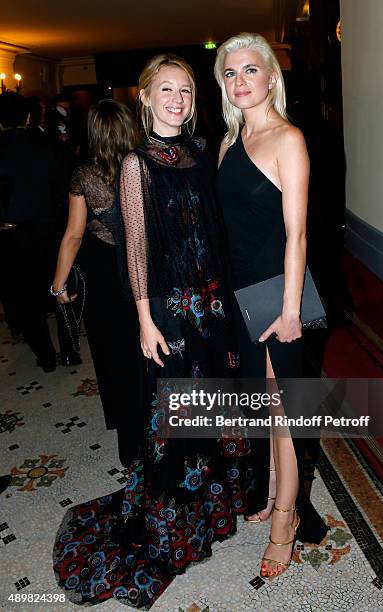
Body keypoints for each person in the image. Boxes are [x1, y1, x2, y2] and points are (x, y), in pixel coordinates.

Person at [53, 56, 247, 609]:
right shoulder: (135, 165)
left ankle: (215, 505)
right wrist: (143, 317)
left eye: (186, 90)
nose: (178, 99)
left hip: (210, 304)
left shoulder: (201, 151)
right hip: (169, 307)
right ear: (146, 97)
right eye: (167, 89)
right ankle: (176, 516)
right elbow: (135, 248)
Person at [215, 33, 328, 579]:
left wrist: (289, 309)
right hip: (240, 290)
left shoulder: (289, 139)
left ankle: (287, 516)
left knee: (284, 409)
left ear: (270, 78)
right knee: (265, 403)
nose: (240, 81)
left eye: (249, 70)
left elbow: (297, 234)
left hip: (278, 289)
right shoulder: (226, 144)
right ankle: (277, 494)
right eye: (230, 73)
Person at [51, 99, 142, 465]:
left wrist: (58, 286)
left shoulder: (84, 175)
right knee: (148, 353)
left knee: (111, 356)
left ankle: (130, 443)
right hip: (143, 268)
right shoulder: (145, 165)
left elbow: (73, 236)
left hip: (104, 277)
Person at [0, 92, 72, 371]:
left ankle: (46, 356)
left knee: (25, 299)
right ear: (29, 117)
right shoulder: (49, 145)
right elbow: (64, 190)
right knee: (58, 288)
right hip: (49, 231)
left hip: (10, 235)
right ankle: (69, 350)